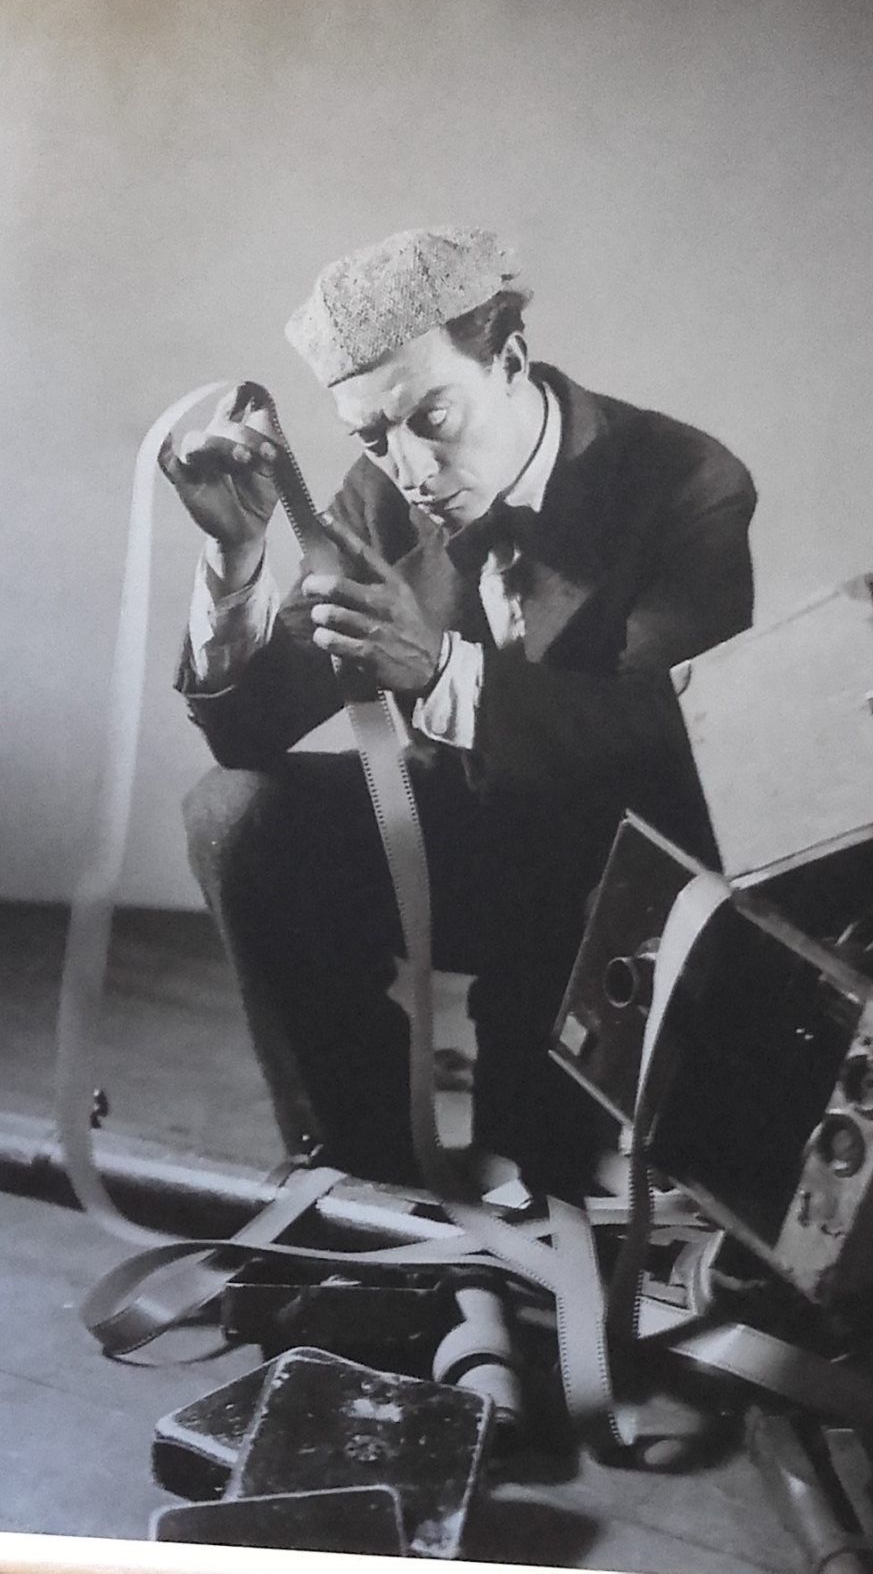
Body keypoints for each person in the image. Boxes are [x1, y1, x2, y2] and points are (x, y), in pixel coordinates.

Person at [162, 227, 756, 1196]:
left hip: (615, 884)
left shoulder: (685, 480)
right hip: (465, 857)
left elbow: (670, 743)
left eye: (430, 417)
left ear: (509, 359)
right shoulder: (380, 493)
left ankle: (553, 1146)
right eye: (372, 438)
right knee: (234, 815)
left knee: (542, 1192)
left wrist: (441, 671)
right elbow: (245, 734)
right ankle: (355, 1166)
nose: (408, 468)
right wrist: (236, 557)